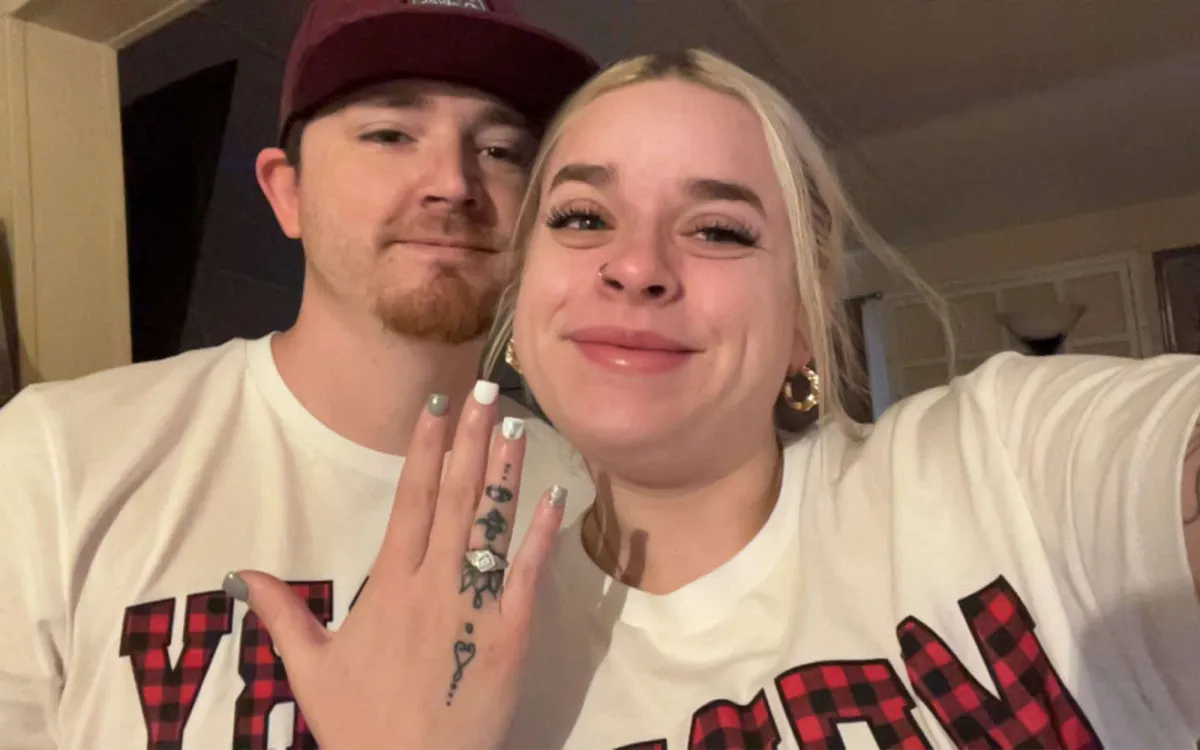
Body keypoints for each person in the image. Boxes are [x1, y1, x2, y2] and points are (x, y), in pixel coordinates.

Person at [228, 48, 1200, 749]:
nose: (637, 265)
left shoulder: (1005, 464)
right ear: (519, 304)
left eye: (720, 230)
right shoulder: (446, 648)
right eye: (583, 216)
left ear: (803, 320)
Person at [0, 1, 597, 747]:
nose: (453, 182)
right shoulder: (54, 459)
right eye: (390, 134)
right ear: (289, 193)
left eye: (502, 150)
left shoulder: (597, 507)